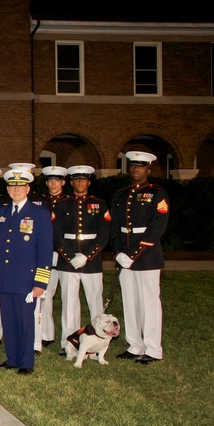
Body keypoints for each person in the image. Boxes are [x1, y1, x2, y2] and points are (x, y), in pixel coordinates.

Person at [110, 151, 169, 365]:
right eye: (133, 165)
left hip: (147, 256)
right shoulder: (121, 194)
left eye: (141, 166)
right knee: (130, 302)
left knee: (149, 303)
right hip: (124, 255)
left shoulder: (157, 193)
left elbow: (157, 227)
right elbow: (114, 226)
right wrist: (118, 252)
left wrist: (133, 254)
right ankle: (135, 345)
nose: (136, 169)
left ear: (148, 169)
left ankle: (153, 349)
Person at [0, 168, 53, 375]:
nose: (15, 190)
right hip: (5, 277)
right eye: (12, 186)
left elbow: (45, 251)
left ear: (28, 189)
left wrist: (40, 283)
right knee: (8, 321)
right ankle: (12, 358)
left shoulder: (40, 214)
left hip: (26, 280)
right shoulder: (0, 212)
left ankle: (26, 362)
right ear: (8, 189)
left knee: (25, 322)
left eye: (20, 186)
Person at [54, 165, 111, 346]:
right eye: (76, 179)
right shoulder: (62, 204)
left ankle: (98, 342)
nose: (80, 182)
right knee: (69, 303)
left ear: (89, 182)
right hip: (67, 261)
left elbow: (104, 234)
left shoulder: (100, 204)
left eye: (83, 179)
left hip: (92, 261)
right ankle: (69, 342)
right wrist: (70, 256)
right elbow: (56, 233)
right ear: (71, 182)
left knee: (95, 302)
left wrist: (87, 255)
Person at [38, 165, 69, 351]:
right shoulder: (41, 202)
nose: (53, 184)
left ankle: (69, 337)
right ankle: (46, 334)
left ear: (63, 182)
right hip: (46, 254)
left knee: (67, 297)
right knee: (45, 294)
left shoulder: (70, 202)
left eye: (57, 180)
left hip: (66, 255)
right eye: (50, 181)